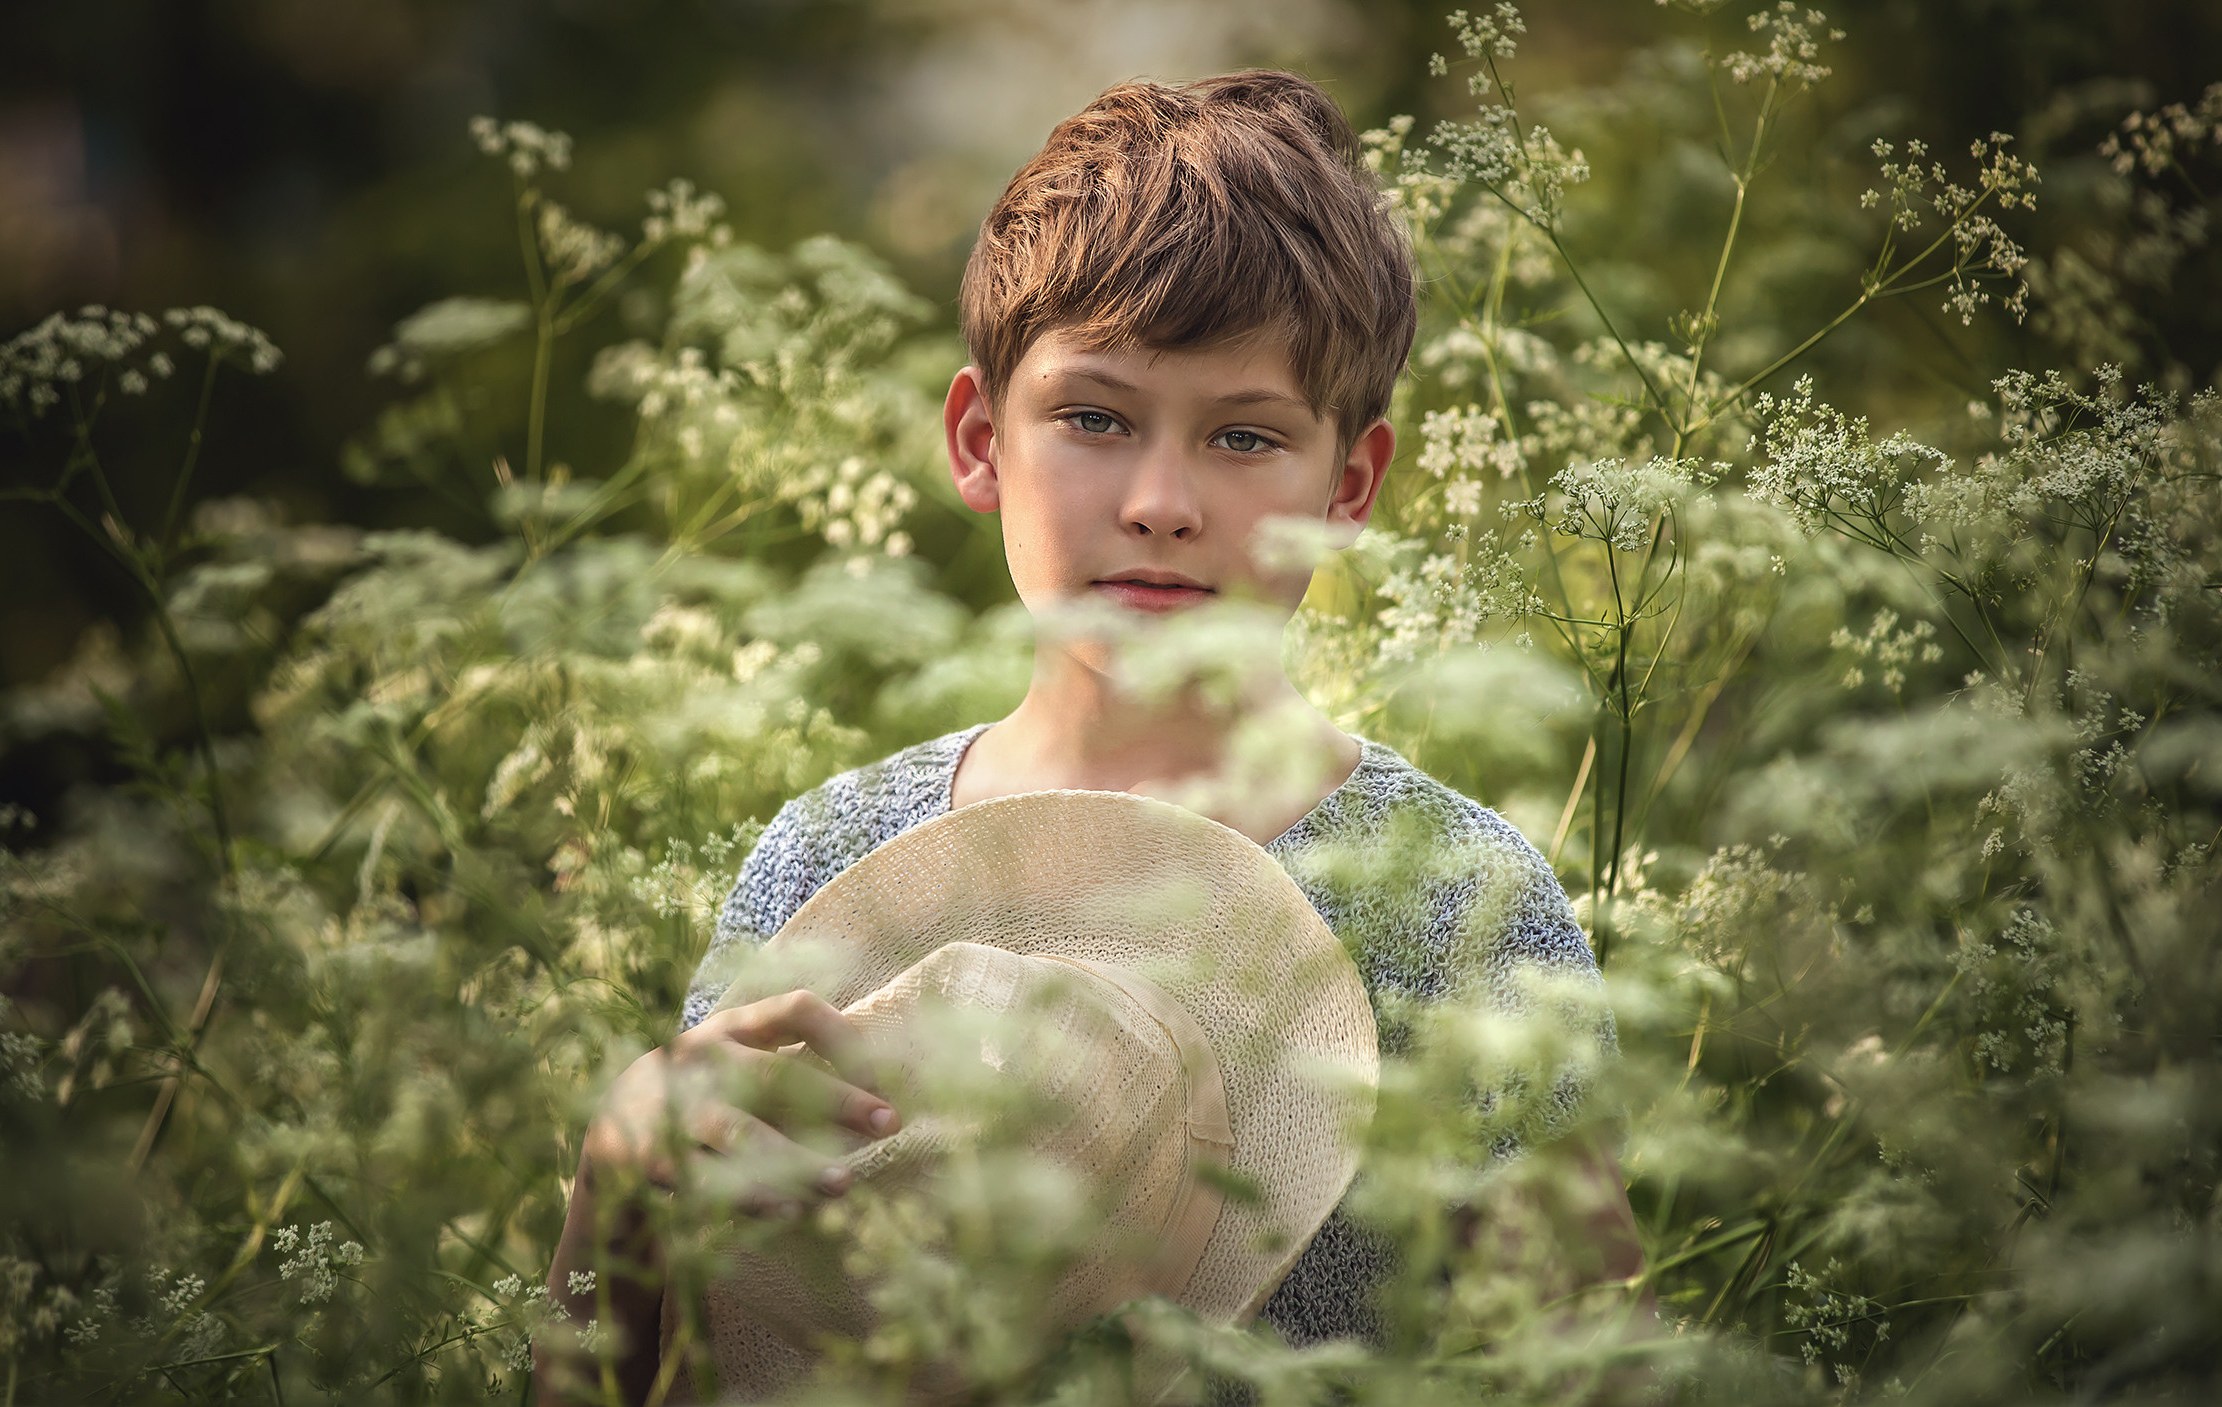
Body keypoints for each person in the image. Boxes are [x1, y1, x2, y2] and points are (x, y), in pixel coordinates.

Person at [541, 68, 1645, 1404]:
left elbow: (1588, 1367)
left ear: (1348, 487)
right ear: (978, 439)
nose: (1161, 501)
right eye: (1094, 419)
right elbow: (659, 1362)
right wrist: (618, 1191)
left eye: (1245, 436)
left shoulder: (1458, 907)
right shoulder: (829, 858)